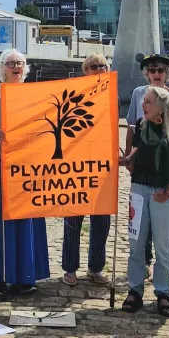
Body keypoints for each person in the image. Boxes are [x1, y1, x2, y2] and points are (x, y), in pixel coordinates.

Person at [0, 48, 50, 296]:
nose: (16, 66)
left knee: (27, 216)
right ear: (3, 68)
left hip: (28, 164)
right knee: (0, 217)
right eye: (10, 63)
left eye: (20, 62)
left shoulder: (35, 93)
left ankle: (26, 275)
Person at [120, 86, 169, 317]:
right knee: (136, 243)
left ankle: (162, 292)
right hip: (140, 188)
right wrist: (128, 158)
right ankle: (135, 290)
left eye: (147, 102)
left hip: (165, 192)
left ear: (160, 106)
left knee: (162, 245)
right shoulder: (142, 124)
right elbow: (139, 148)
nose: (143, 105)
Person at [125, 55, 169, 278]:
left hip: (167, 167)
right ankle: (145, 263)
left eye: (160, 70)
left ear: (166, 72)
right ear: (147, 73)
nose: (157, 73)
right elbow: (132, 127)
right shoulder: (139, 94)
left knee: (166, 223)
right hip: (142, 166)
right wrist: (129, 157)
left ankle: (168, 263)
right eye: (152, 70)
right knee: (141, 222)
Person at [61, 53, 112, 287]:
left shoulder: (111, 93)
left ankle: (96, 267)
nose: (98, 69)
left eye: (102, 66)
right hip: (76, 165)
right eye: (93, 66)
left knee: (101, 220)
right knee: (73, 219)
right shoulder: (75, 93)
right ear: (85, 70)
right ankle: (70, 268)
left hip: (102, 165)